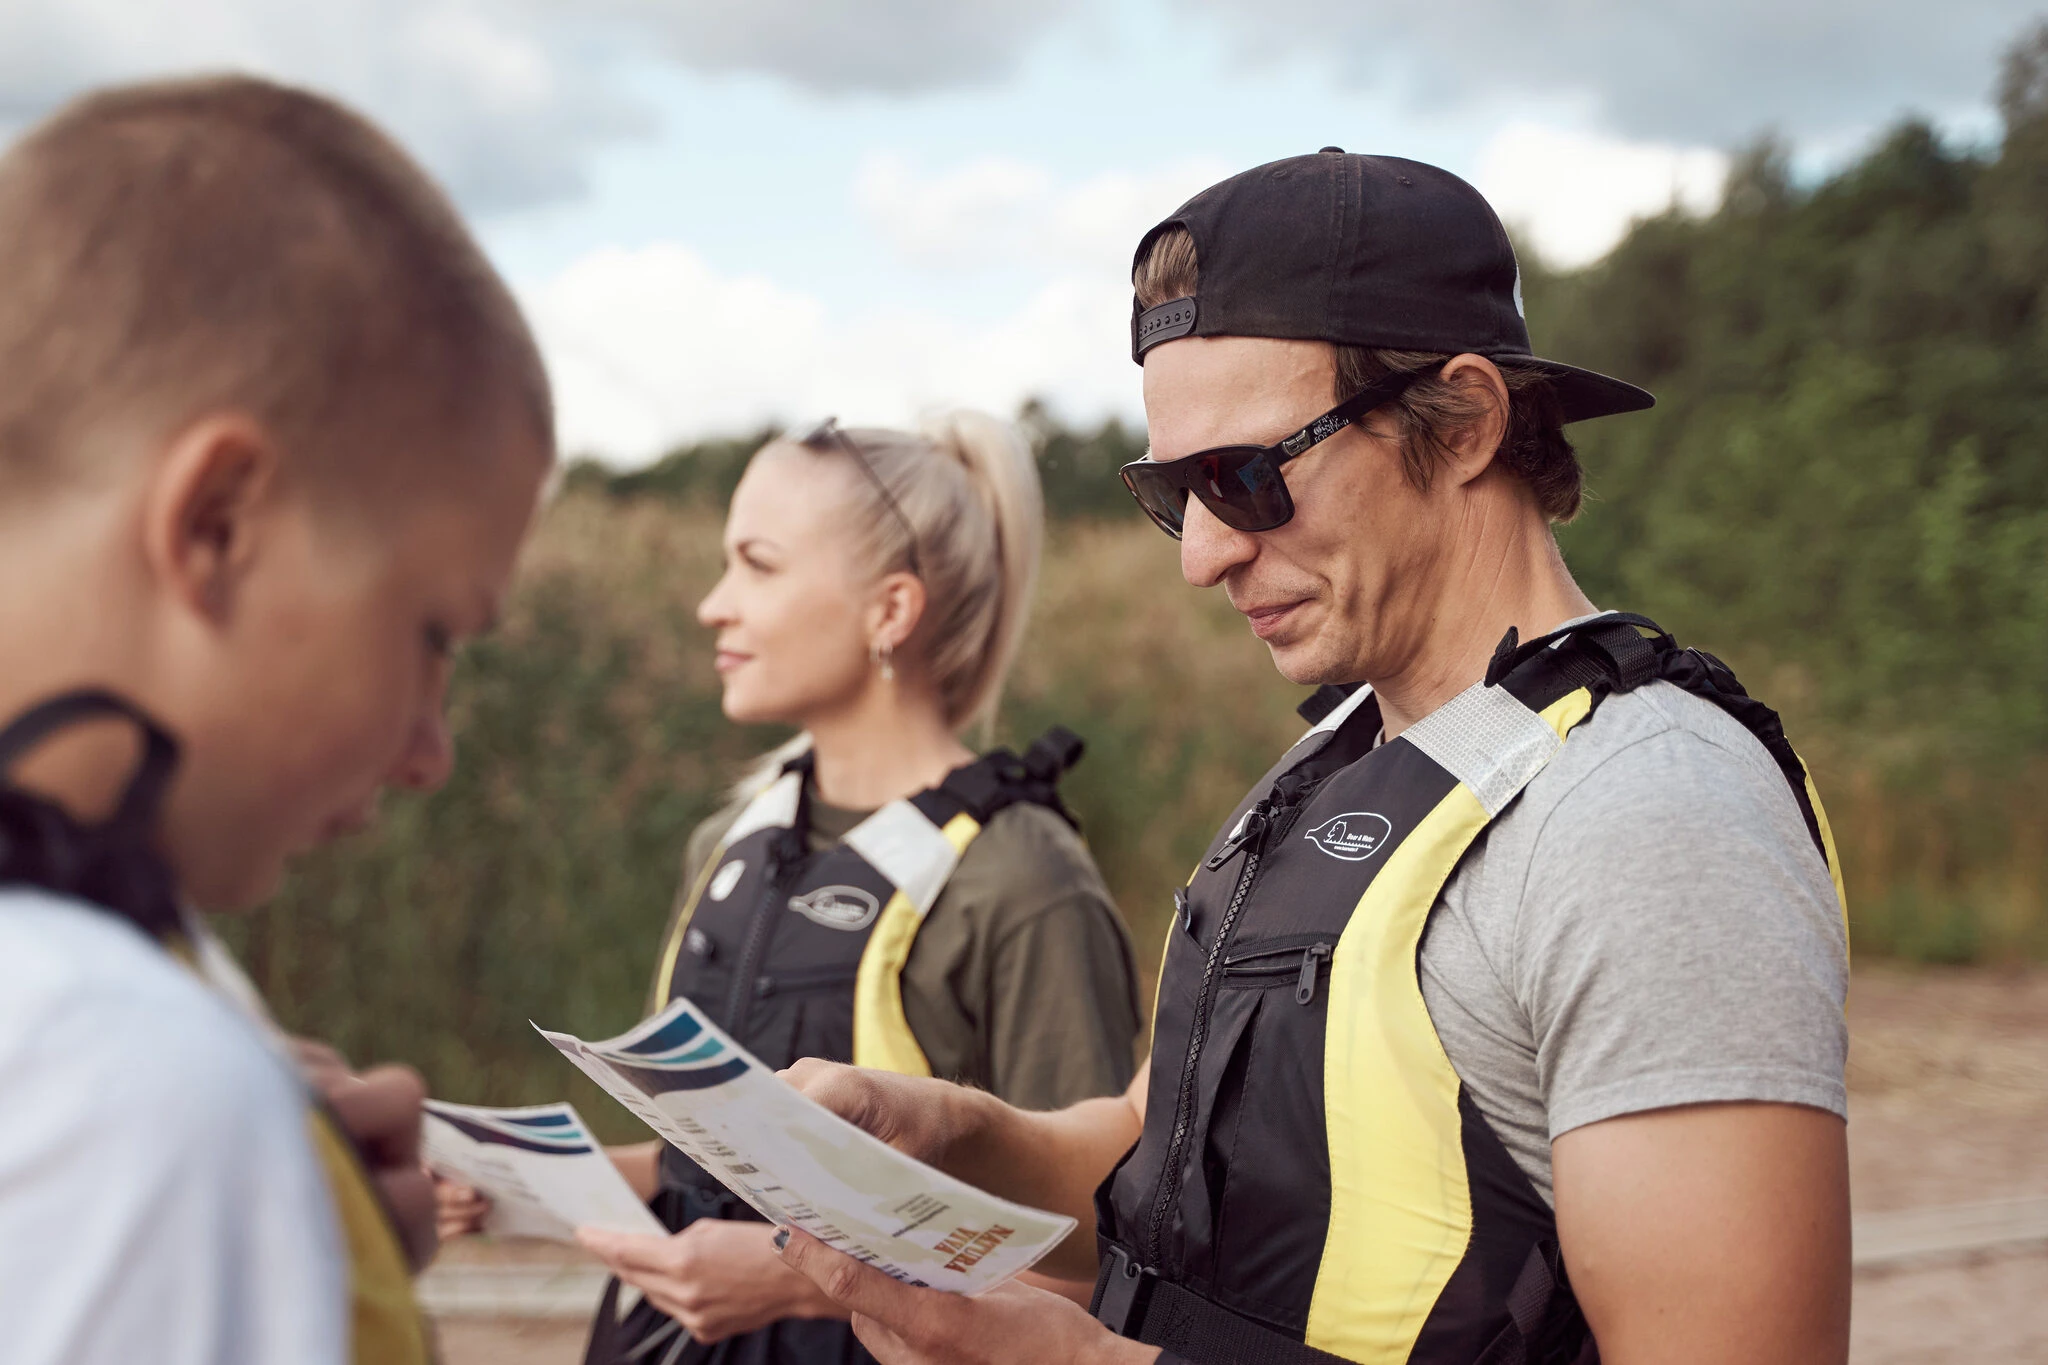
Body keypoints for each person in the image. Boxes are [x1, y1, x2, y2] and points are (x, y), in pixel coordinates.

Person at [769, 150, 1854, 1365]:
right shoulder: (1340, 762)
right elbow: (1152, 1162)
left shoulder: (1645, 817)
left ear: (1463, 425)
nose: (1201, 557)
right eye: (1171, 493)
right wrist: (945, 1133)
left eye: (1241, 476)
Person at [0, 76, 554, 1365]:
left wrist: (303, 1243)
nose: (430, 752)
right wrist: (206, 1159)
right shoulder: (121, 1091)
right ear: (217, 525)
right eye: (431, 635)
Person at [439, 414, 1144, 1365]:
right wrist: (526, 1183)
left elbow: (1086, 1259)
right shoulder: (728, 844)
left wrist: (787, 1280)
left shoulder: (1022, 878)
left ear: (890, 611)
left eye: (757, 566)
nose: (713, 606)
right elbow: (703, 1177)